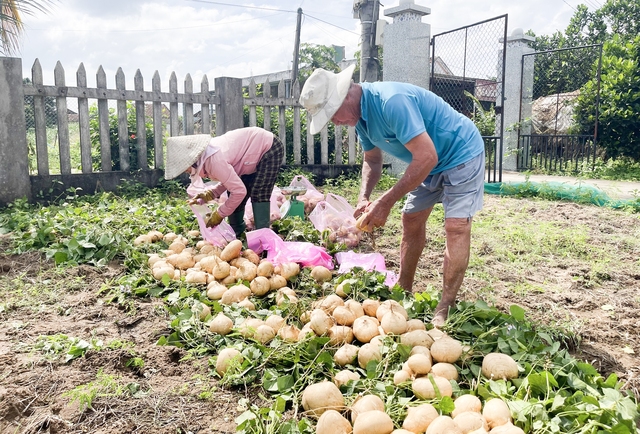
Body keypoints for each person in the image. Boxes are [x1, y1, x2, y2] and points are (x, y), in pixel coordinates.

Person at [299, 65, 485, 326]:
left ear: (345, 96)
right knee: (411, 220)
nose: (335, 122)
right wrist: (364, 197)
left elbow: (427, 156)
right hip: (427, 161)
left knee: (455, 226)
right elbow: (372, 160)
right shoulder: (360, 118)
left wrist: (386, 201)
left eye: (332, 114)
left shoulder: (391, 102)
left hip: (460, 152)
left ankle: (446, 305)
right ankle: (404, 290)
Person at [164, 127, 283, 237]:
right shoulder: (206, 157)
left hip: (269, 147)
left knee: (259, 193)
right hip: (249, 157)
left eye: (186, 169)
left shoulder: (213, 160)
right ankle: (238, 233)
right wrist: (210, 194)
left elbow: (239, 191)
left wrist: (219, 214)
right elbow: (230, 180)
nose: (187, 172)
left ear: (192, 161)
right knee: (234, 194)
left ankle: (263, 236)